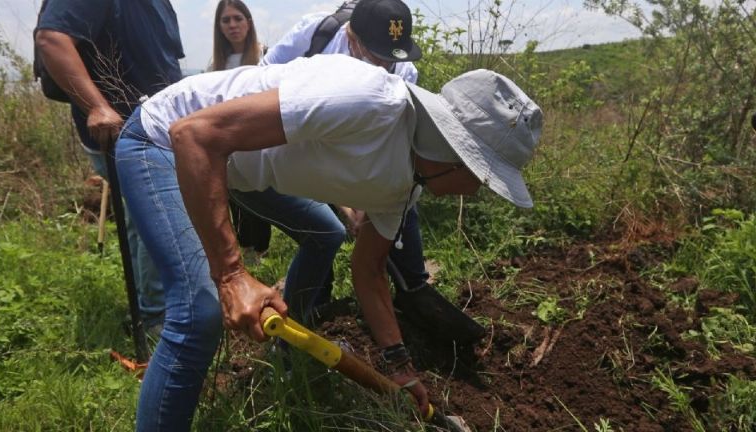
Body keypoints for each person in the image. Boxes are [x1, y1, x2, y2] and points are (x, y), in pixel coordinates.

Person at [115, 54, 543, 430]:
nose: (478, 191)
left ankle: (285, 352)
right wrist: (231, 275)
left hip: (232, 165)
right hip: (163, 141)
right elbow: (195, 133)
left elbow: (369, 271)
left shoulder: (405, 189)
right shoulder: (370, 101)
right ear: (457, 154)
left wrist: (399, 366)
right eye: (485, 178)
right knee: (199, 313)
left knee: (324, 233)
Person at [251, 0, 444, 330]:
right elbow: (262, 87)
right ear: (352, 38)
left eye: (392, 57)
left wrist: (370, 204)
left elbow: (393, 145)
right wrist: (344, 203)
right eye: (376, 55)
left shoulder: (404, 72)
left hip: (357, 149)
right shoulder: (317, 36)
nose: (384, 66)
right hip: (292, 145)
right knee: (322, 231)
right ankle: (310, 315)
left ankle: (413, 289)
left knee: (399, 206)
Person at [35, 0, 184, 336]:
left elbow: (165, 62)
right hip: (122, 131)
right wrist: (97, 107)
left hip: (160, 129)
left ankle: (152, 308)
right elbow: (52, 39)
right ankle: (160, 319)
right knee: (157, 221)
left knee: (141, 221)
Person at [210, 0, 273, 260]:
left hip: (262, 138)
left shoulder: (266, 55)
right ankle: (248, 254)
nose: (233, 25)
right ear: (219, 27)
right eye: (226, 20)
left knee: (264, 196)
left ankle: (263, 250)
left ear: (249, 22)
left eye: (238, 18)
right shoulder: (216, 63)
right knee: (238, 200)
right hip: (229, 143)